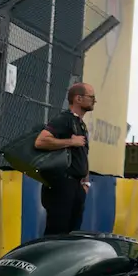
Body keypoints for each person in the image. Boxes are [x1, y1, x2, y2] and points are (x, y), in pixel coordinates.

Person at [34, 82, 94, 236]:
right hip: (61, 185)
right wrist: (70, 142)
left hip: (76, 186)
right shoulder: (64, 119)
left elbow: (82, 156)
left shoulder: (81, 124)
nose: (94, 100)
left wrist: (85, 183)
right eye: (91, 97)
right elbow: (41, 141)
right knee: (57, 233)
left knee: (72, 233)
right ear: (78, 99)